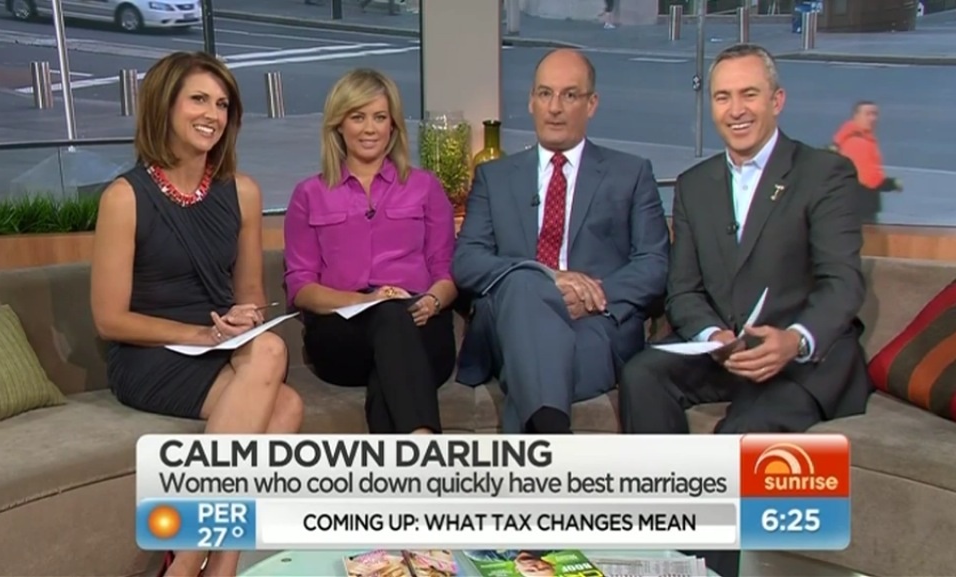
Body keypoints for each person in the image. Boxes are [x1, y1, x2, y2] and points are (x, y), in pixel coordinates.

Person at [618, 43, 874, 577]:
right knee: (642, 374)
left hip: (803, 360)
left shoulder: (823, 173)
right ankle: (668, 547)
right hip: (727, 353)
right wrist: (712, 335)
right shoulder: (694, 186)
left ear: (777, 100)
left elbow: (842, 282)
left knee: (740, 433)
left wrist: (794, 338)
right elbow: (683, 290)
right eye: (723, 97)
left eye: (749, 94)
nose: (736, 110)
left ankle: (712, 570)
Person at [90, 51, 303, 577]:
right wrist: (200, 333)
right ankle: (195, 561)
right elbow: (110, 319)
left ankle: (207, 564)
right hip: (149, 354)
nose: (213, 114)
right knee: (282, 398)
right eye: (199, 100)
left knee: (280, 382)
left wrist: (242, 319)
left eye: (223, 104)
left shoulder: (243, 192)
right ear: (165, 106)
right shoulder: (124, 197)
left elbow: (249, 295)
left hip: (218, 346)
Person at [452, 48, 669, 435]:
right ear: (531, 101)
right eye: (545, 94)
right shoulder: (494, 177)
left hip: (594, 325)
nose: (554, 107)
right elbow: (467, 261)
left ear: (592, 104)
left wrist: (593, 294)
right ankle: (553, 438)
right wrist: (548, 278)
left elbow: (654, 264)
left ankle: (543, 435)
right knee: (525, 281)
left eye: (569, 95)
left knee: (532, 364)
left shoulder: (631, 174)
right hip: (507, 326)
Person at [283, 68, 457, 435]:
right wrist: (366, 302)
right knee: (389, 318)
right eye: (357, 117)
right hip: (342, 334)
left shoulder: (425, 187)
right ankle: (425, 445)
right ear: (339, 125)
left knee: (391, 360)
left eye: (380, 117)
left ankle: (404, 460)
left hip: (420, 323)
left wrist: (432, 301)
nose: (369, 129)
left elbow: (446, 271)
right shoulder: (309, 194)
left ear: (393, 126)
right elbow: (301, 288)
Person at [832, 100, 902, 220]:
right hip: (860, 208)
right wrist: (893, 184)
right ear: (856, 116)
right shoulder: (858, 142)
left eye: (875, 114)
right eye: (868, 114)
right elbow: (869, 179)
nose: (872, 118)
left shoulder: (847, 139)